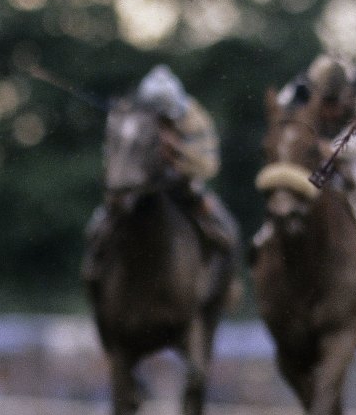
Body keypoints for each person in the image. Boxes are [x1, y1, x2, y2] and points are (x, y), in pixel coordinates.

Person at [83, 65, 239, 289]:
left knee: (223, 225)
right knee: (102, 221)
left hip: (180, 181)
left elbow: (208, 163)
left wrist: (176, 153)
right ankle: (95, 267)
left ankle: (222, 277)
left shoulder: (195, 118)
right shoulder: (129, 117)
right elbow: (114, 157)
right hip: (137, 184)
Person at [277, 54, 356, 280]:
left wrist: (336, 150)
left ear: (346, 94)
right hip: (313, 143)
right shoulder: (295, 92)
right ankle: (268, 238)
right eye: (325, 103)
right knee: (287, 186)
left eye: (335, 104)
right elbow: (283, 125)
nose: (330, 111)